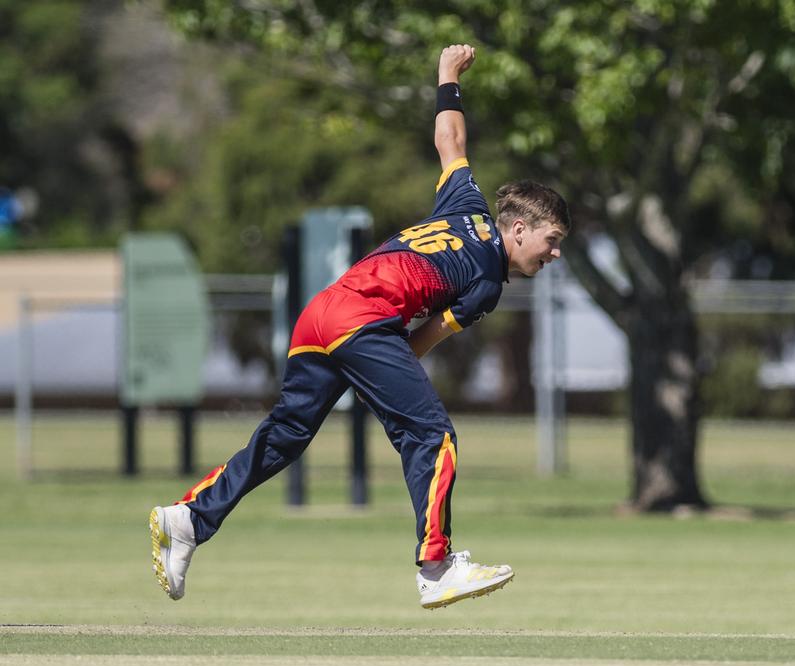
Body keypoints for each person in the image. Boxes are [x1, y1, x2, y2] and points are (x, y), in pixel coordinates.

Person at [149, 44, 570, 609]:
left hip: (320, 312)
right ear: (518, 229)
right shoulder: (488, 281)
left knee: (286, 435)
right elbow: (423, 340)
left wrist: (447, 75)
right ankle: (436, 565)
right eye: (552, 242)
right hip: (365, 319)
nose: (555, 255)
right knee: (431, 435)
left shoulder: (464, 203)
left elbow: (450, 141)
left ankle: (189, 520)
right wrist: (390, 387)